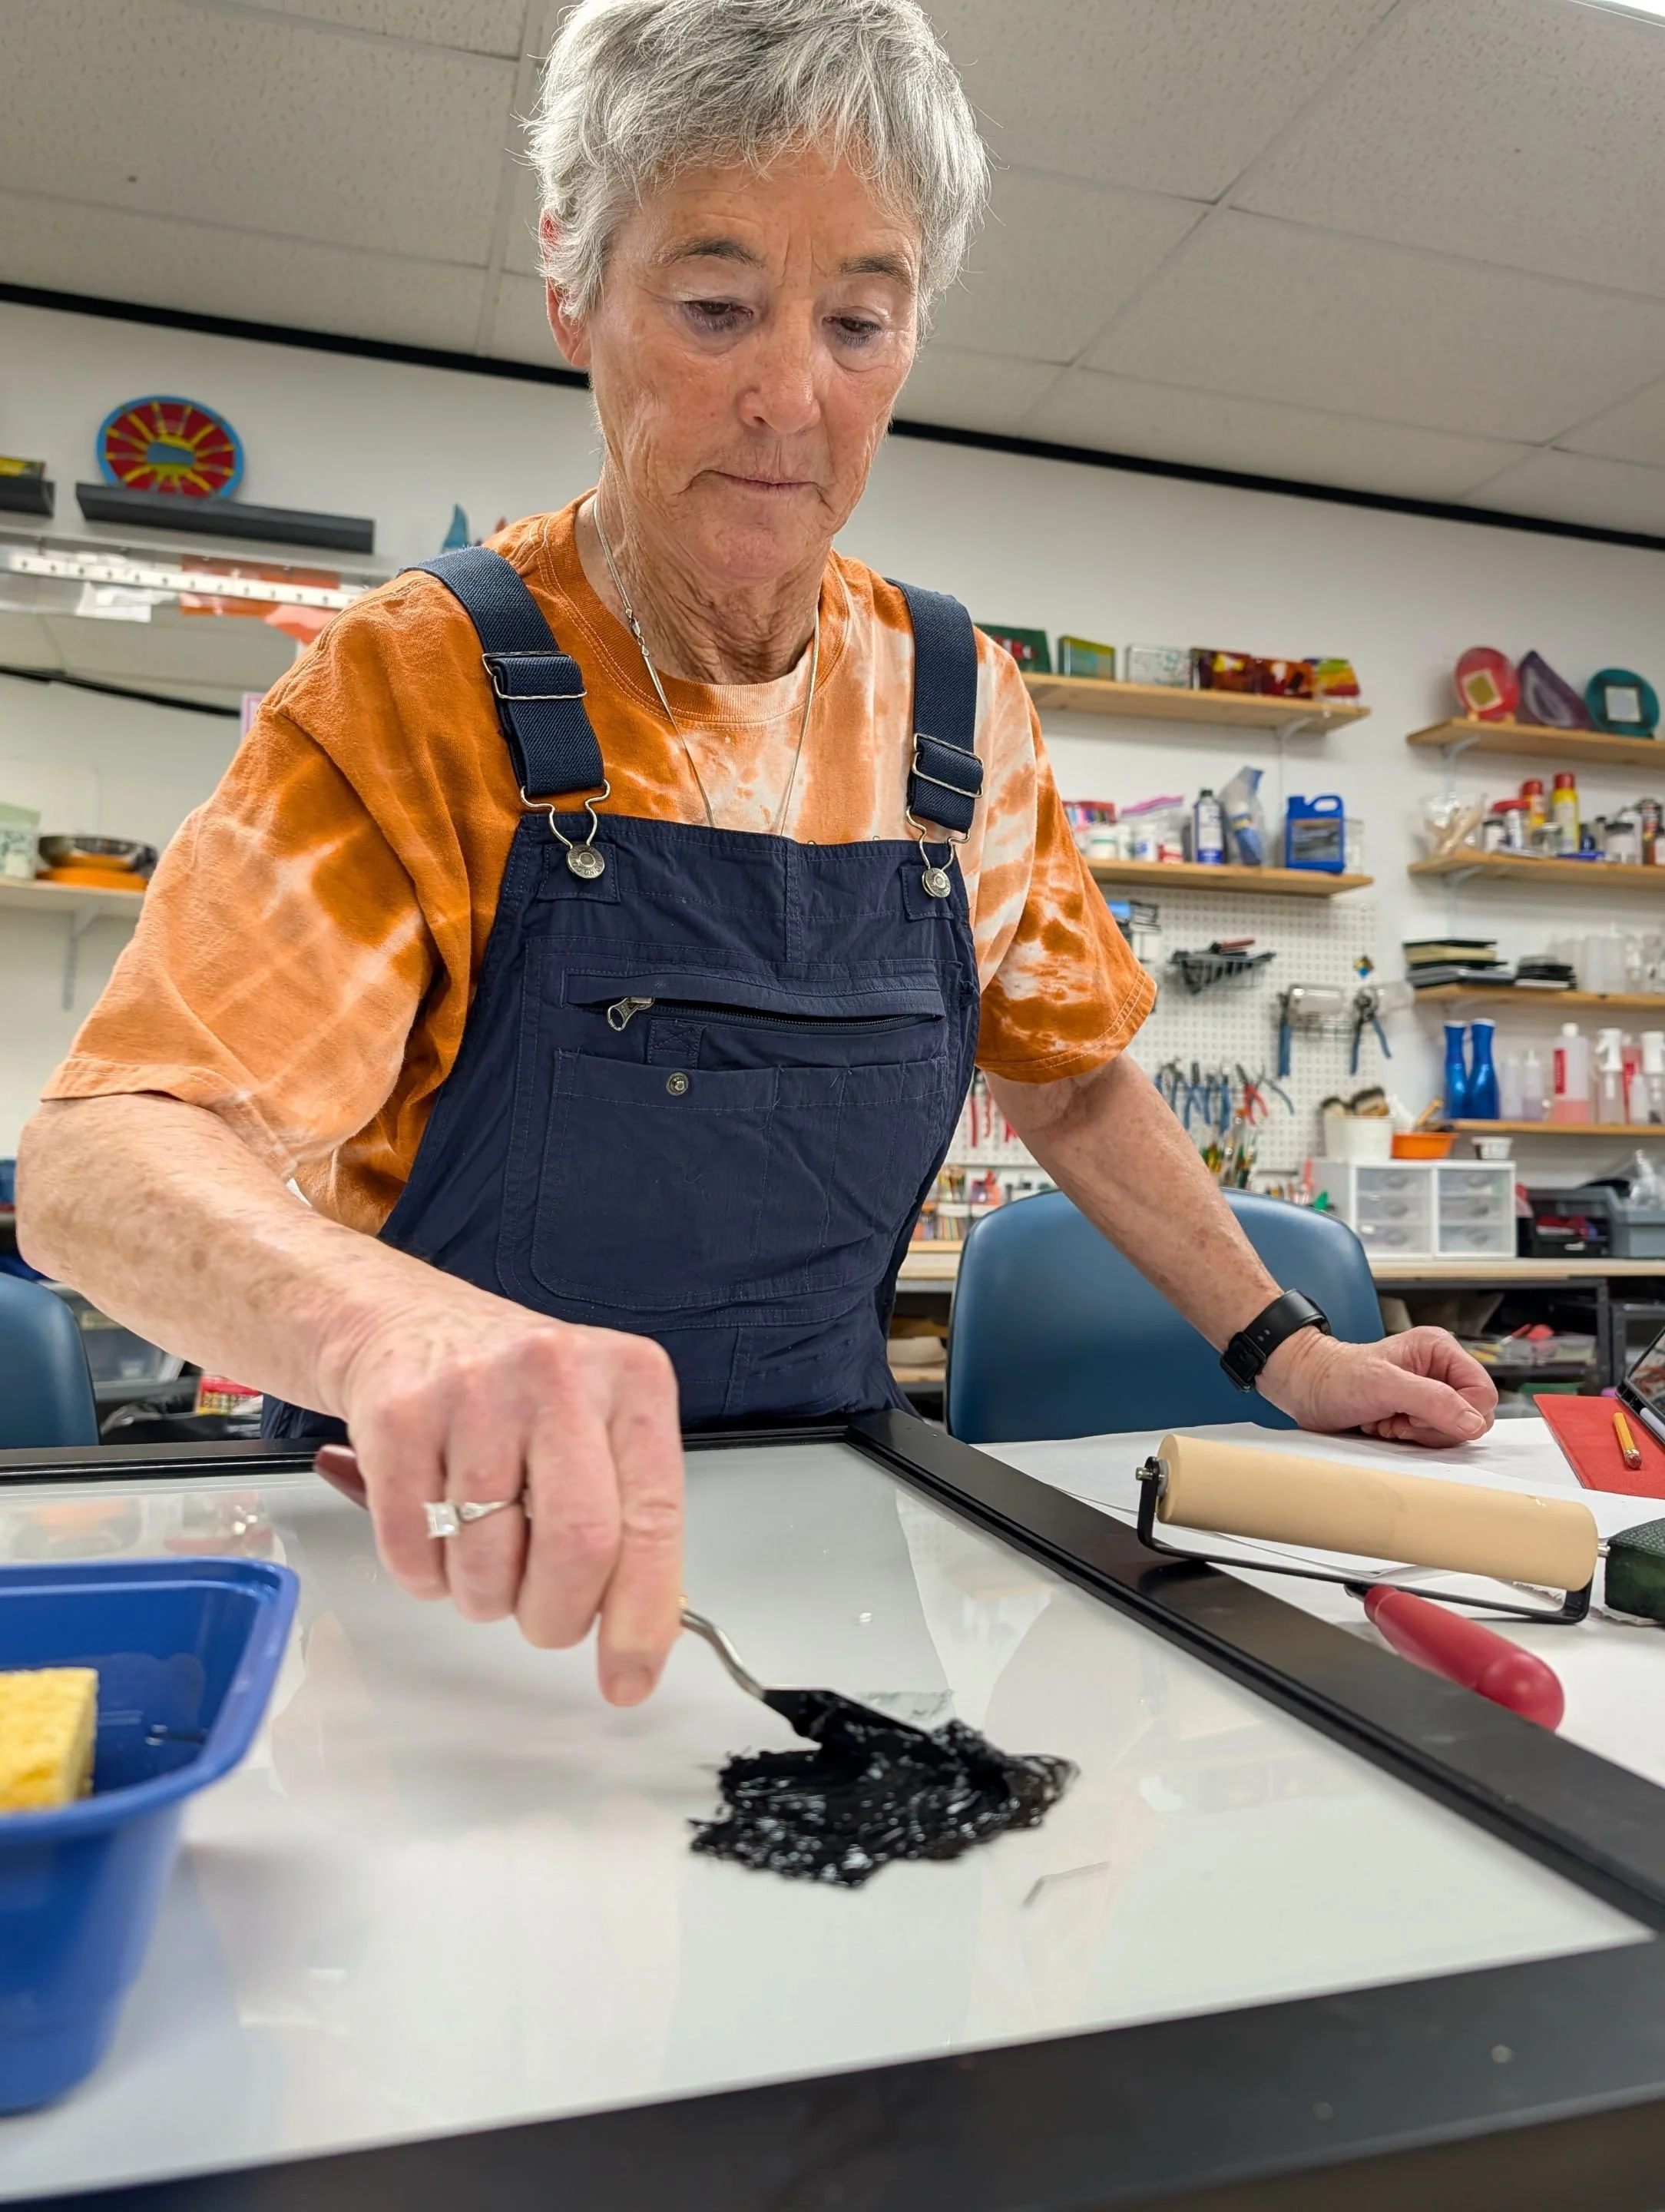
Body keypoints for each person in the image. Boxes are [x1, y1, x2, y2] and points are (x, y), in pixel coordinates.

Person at [17, 0, 1495, 1710]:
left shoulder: (957, 703)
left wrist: (1288, 1350)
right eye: (715, 308)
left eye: (857, 321)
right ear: (575, 291)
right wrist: (389, 1332)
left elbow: (1071, 1082)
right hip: (444, 1557)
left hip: (831, 1513)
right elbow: (100, 1161)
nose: (790, 396)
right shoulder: (416, 682)